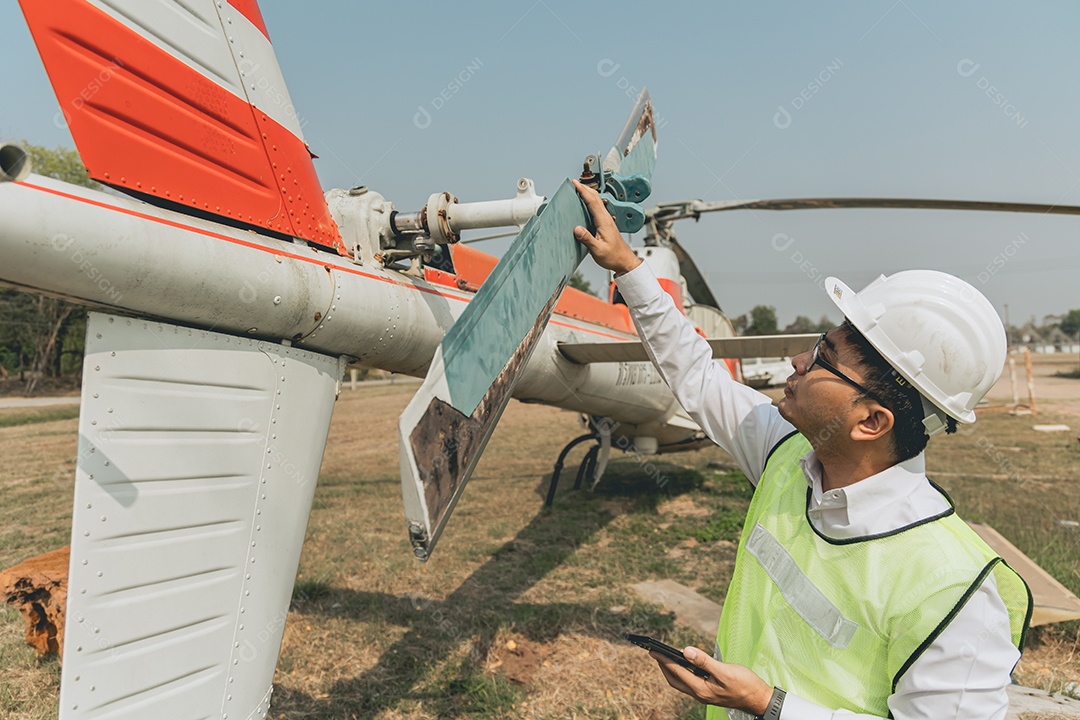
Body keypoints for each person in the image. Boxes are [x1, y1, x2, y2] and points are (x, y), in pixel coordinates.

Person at [571, 180, 1031, 720]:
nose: (796, 361)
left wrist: (767, 706)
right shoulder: (787, 455)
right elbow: (696, 375)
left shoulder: (953, 589)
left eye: (822, 358)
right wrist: (629, 268)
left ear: (871, 420)